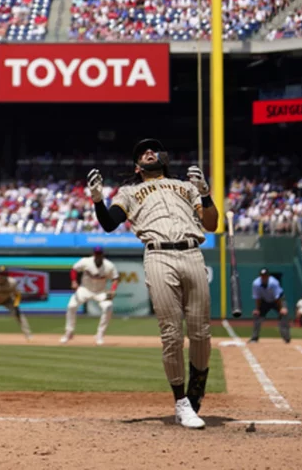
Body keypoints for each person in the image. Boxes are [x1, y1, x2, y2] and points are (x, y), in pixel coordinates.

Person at [86, 138, 218, 430]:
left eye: (153, 149)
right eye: (142, 152)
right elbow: (110, 223)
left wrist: (206, 195)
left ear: (163, 159)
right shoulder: (130, 191)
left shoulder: (185, 186)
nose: (148, 151)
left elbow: (211, 224)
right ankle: (182, 403)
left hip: (193, 253)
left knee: (201, 332)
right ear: (137, 165)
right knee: (171, 333)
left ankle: (195, 393)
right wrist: (97, 199)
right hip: (158, 255)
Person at [60, 247, 119, 346]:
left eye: (99, 253)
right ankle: (69, 332)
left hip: (100, 291)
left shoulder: (109, 265)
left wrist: (113, 290)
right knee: (71, 306)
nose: (98, 255)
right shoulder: (86, 261)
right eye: (96, 253)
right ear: (93, 254)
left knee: (108, 307)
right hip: (85, 289)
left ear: (102, 255)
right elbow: (74, 270)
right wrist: (74, 281)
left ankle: (100, 335)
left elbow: (115, 278)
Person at [249, 268, 291, 343]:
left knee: (284, 315)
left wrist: (282, 308)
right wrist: (257, 309)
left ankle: (286, 338)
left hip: (278, 301)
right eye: (262, 276)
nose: (263, 277)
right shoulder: (256, 283)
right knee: (257, 316)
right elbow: (257, 298)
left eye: (265, 276)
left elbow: (277, 298)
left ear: (268, 276)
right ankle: (254, 338)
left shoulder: (273, 282)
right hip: (264, 300)